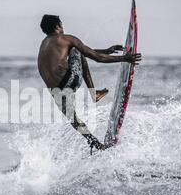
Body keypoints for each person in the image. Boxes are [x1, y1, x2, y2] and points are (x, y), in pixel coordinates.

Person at [37, 14, 142, 151]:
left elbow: (86, 53)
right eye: (61, 24)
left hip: (55, 91)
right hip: (70, 81)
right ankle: (94, 93)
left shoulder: (44, 45)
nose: (62, 27)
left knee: (73, 118)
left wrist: (107, 51)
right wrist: (125, 58)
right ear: (57, 26)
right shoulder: (66, 39)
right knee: (76, 49)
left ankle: (93, 142)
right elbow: (95, 57)